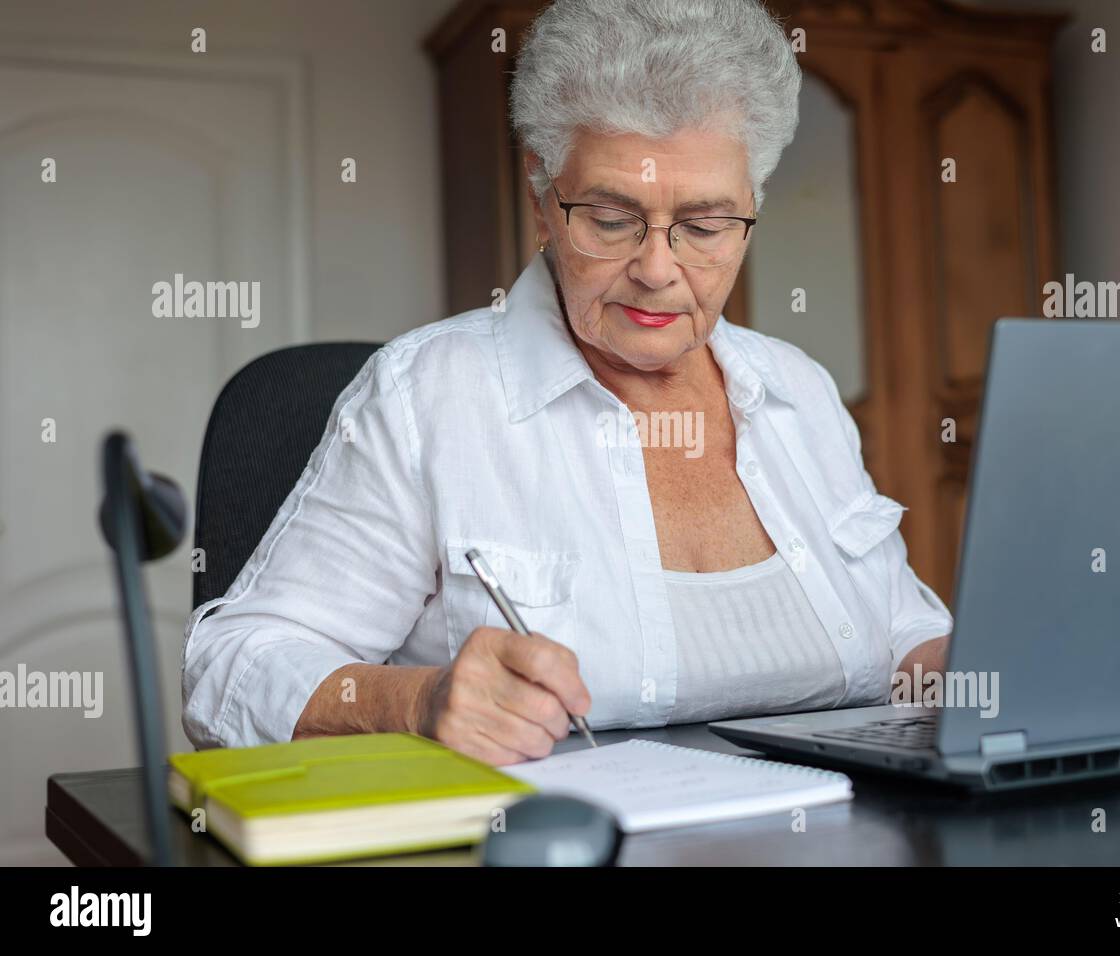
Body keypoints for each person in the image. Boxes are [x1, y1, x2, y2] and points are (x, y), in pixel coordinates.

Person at [182, 0, 952, 764]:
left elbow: (902, 633)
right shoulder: (428, 397)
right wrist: (420, 701)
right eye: (612, 218)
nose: (657, 270)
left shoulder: (799, 389)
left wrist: (980, 675)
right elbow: (231, 664)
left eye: (706, 226)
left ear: (752, 207)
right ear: (542, 198)